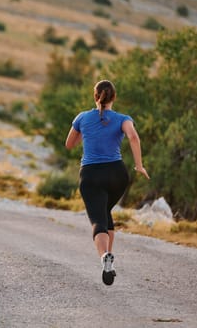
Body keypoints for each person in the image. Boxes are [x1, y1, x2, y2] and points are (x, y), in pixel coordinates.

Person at [65, 79, 149, 286]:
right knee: (105, 212)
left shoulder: (82, 117)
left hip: (91, 175)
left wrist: (86, 135)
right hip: (117, 175)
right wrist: (139, 166)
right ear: (114, 98)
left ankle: (104, 257)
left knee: (98, 220)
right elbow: (134, 138)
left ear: (95, 97)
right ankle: (109, 256)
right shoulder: (123, 119)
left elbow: (69, 144)